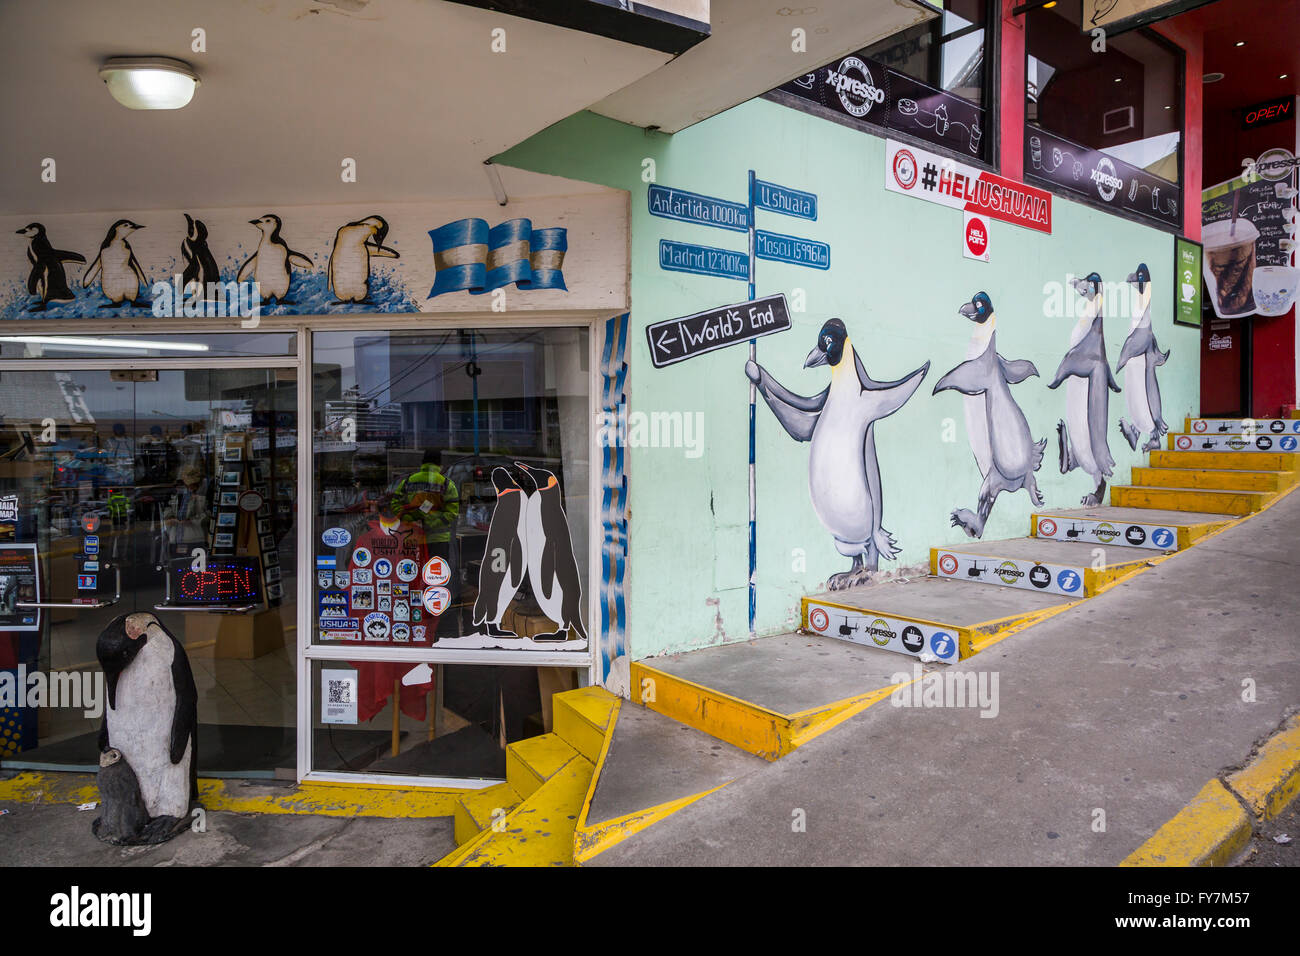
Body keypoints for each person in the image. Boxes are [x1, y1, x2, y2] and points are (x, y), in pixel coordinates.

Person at [162, 464, 211, 555]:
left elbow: (208, 515)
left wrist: (192, 521)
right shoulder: (176, 495)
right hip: (175, 538)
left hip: (195, 538)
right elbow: (167, 511)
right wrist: (171, 519)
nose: (190, 487)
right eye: (188, 484)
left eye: (193, 484)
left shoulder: (202, 495)